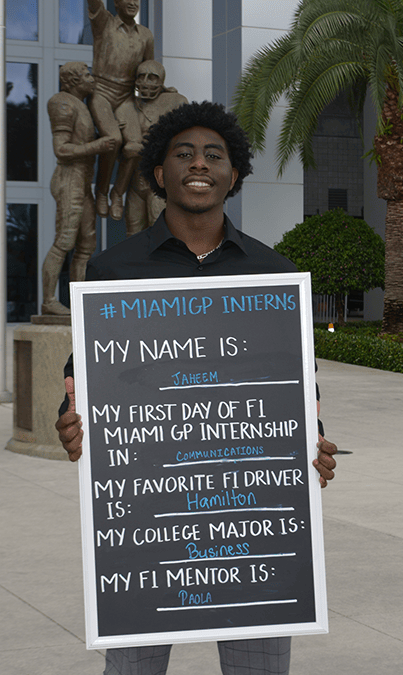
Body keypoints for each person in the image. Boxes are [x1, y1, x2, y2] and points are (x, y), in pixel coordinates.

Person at [55, 100, 339, 675]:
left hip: (247, 520)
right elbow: (84, 375)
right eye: (182, 154)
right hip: (145, 524)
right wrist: (70, 417)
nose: (199, 163)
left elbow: (291, 386)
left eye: (215, 154)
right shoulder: (115, 271)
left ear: (236, 174)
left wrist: (314, 443)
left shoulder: (271, 272)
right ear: (158, 173)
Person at [40, 62, 117, 315]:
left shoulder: (83, 104)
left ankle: (80, 302)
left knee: (87, 243)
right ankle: (49, 301)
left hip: (83, 181)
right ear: (72, 81)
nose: (91, 79)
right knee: (64, 241)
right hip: (69, 179)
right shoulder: (61, 103)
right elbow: (61, 149)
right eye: (86, 75)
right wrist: (98, 146)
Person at [86, 0, 154, 222]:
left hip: (126, 96)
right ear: (116, 3)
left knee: (136, 145)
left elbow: (149, 69)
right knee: (113, 139)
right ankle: (102, 192)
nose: (133, 2)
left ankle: (117, 194)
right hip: (102, 92)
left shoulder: (145, 35)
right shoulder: (103, 22)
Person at [117, 60, 188, 235]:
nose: (146, 82)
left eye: (152, 78)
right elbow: (118, 149)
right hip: (136, 180)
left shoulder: (176, 102)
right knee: (133, 234)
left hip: (161, 181)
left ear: (161, 81)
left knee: (160, 229)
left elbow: (184, 143)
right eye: (141, 77)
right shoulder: (126, 107)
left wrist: (139, 148)